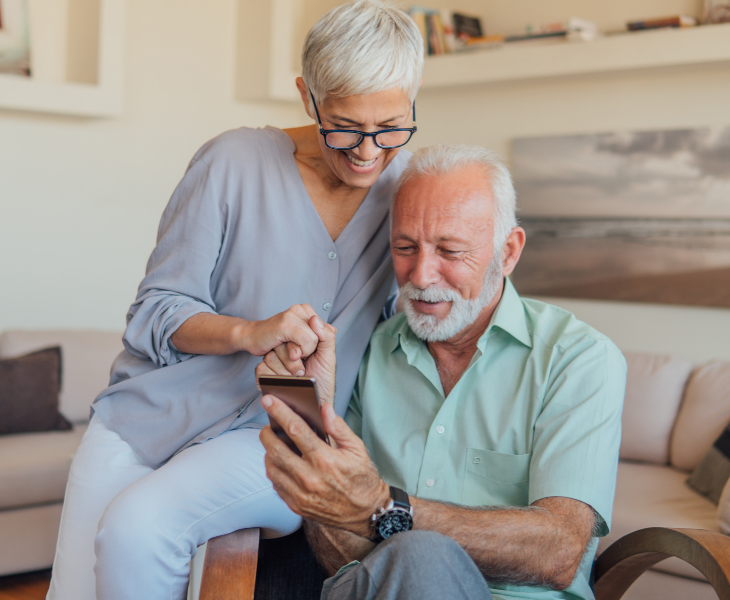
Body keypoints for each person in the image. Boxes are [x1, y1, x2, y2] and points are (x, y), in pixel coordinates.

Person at [46, 3, 425, 599]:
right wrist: (249, 333)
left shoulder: (410, 192)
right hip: (148, 417)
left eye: (391, 127)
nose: (368, 152)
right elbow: (155, 312)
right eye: (346, 126)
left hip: (281, 432)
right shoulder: (233, 162)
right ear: (308, 98)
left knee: (136, 532)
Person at [257, 144, 627, 600]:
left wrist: (383, 508)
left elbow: (559, 551)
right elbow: (341, 556)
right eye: (404, 247)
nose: (422, 275)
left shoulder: (579, 358)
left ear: (507, 252)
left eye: (450, 250)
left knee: (422, 555)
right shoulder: (368, 350)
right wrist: (311, 417)